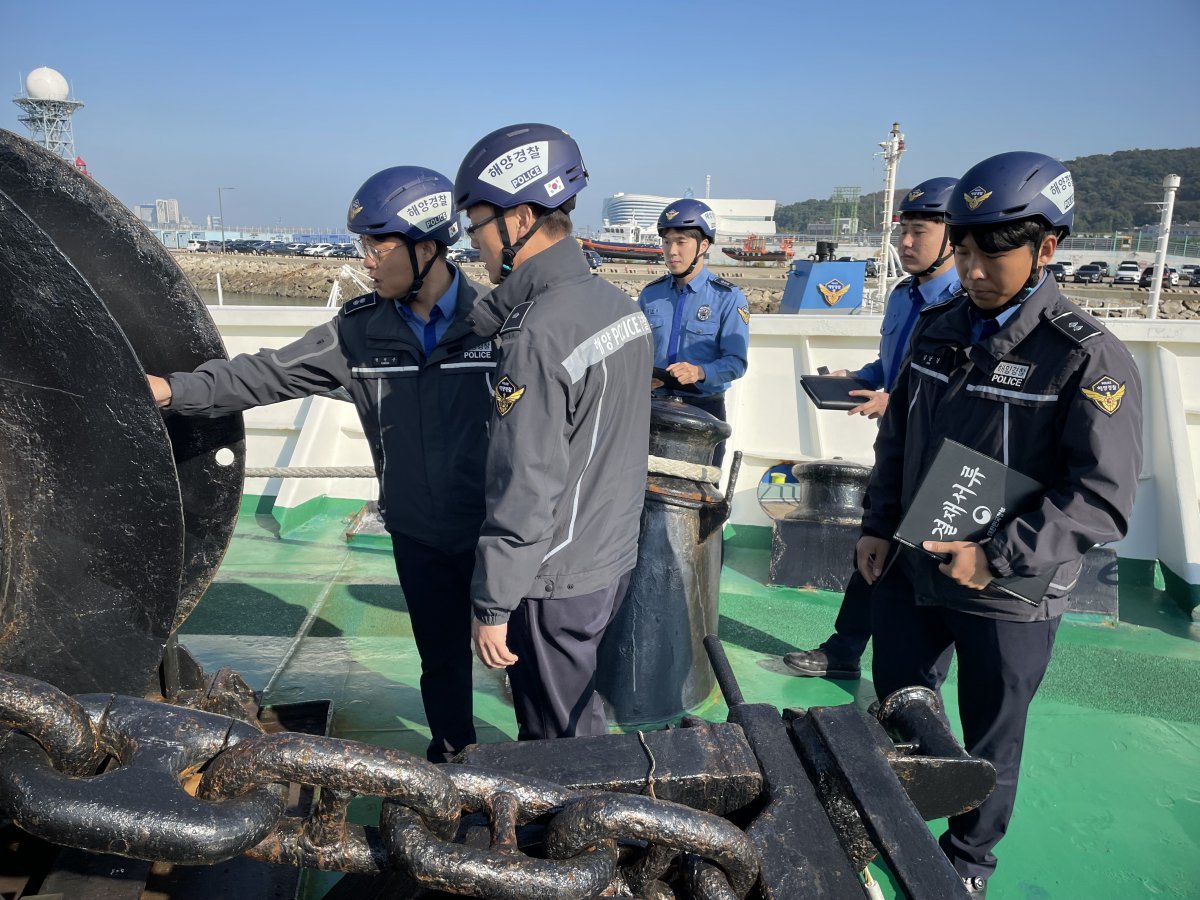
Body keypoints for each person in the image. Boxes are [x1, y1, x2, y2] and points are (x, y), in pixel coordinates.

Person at [860, 151, 1143, 897]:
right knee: (899, 698)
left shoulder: (1086, 358)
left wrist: (998, 554)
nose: (974, 267)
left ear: (1046, 249)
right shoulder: (939, 326)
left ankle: (967, 863)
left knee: (991, 736)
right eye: (963, 247)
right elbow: (900, 440)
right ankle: (895, 820)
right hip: (914, 562)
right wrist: (878, 523)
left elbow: (1103, 495)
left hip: (1006, 590)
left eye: (994, 250)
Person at [147, 167, 491, 763]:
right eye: (363, 246)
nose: (366, 261)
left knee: (530, 660)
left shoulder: (498, 321)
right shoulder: (358, 332)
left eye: (377, 247)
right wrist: (171, 391)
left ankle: (549, 772)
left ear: (428, 247)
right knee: (440, 658)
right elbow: (267, 373)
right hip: (419, 533)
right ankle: (455, 760)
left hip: (499, 535)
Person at [454, 123, 652, 741]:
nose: (473, 244)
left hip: (553, 576)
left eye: (476, 226)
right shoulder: (621, 308)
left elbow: (527, 484)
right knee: (579, 709)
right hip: (609, 555)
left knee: (555, 739)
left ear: (517, 221)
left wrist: (492, 606)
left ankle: (578, 837)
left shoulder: (535, 335)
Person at [784, 176, 961, 679]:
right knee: (874, 545)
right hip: (897, 451)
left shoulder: (966, 306)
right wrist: (860, 380)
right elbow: (895, 367)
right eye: (902, 231)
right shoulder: (905, 296)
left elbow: (958, 393)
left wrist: (897, 399)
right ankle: (843, 650)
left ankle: (919, 686)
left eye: (919, 231)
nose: (905, 243)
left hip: (940, 459)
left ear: (953, 235)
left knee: (930, 571)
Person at [637, 198, 749, 467]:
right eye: (666, 242)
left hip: (702, 412)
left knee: (698, 500)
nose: (671, 251)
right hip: (653, 408)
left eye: (681, 242)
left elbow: (736, 362)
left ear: (703, 246)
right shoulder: (651, 295)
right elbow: (634, 350)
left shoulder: (729, 298)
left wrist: (699, 372)